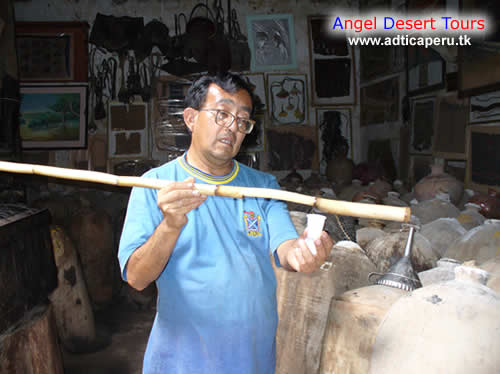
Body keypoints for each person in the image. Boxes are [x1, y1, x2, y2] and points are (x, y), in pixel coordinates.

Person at [118, 72, 334, 374]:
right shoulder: (155, 185)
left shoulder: (262, 186)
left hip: (251, 359)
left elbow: (286, 247)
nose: (232, 127)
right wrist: (169, 226)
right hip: (183, 361)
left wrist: (304, 254)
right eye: (221, 114)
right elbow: (136, 277)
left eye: (242, 121)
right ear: (191, 118)